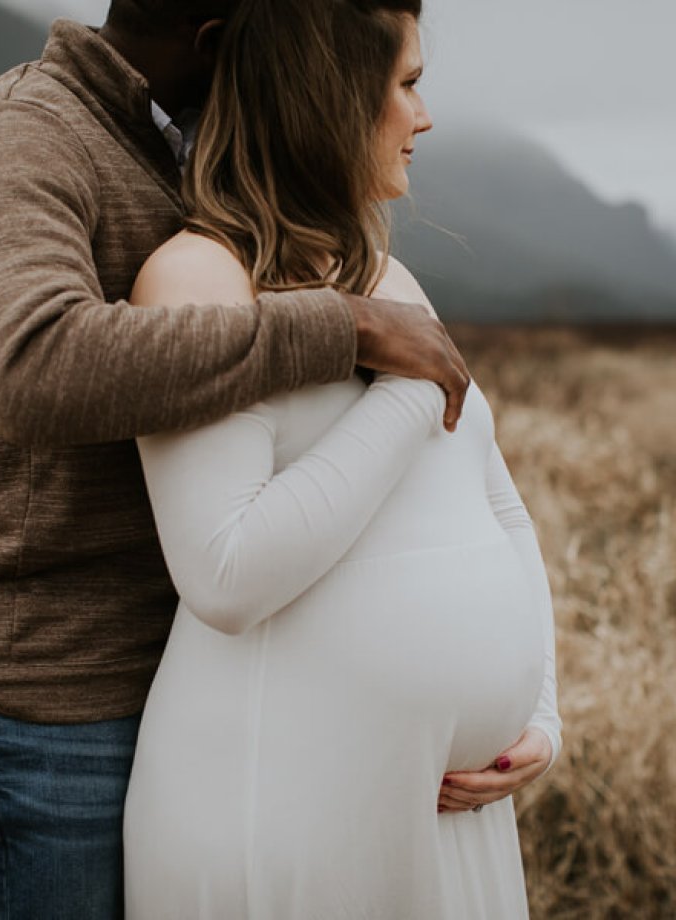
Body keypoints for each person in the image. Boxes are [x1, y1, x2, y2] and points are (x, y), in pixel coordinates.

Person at [0, 0, 470, 917]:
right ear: (220, 41)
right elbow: (33, 369)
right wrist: (344, 327)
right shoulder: (17, 136)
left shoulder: (213, 154)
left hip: (209, 681)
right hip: (56, 696)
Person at [122, 0, 562, 916]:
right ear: (327, 95)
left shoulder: (393, 280)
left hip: (449, 816)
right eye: (406, 85)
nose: (425, 116)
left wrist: (540, 720)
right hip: (289, 814)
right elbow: (225, 572)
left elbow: (501, 513)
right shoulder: (201, 277)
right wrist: (406, 391)